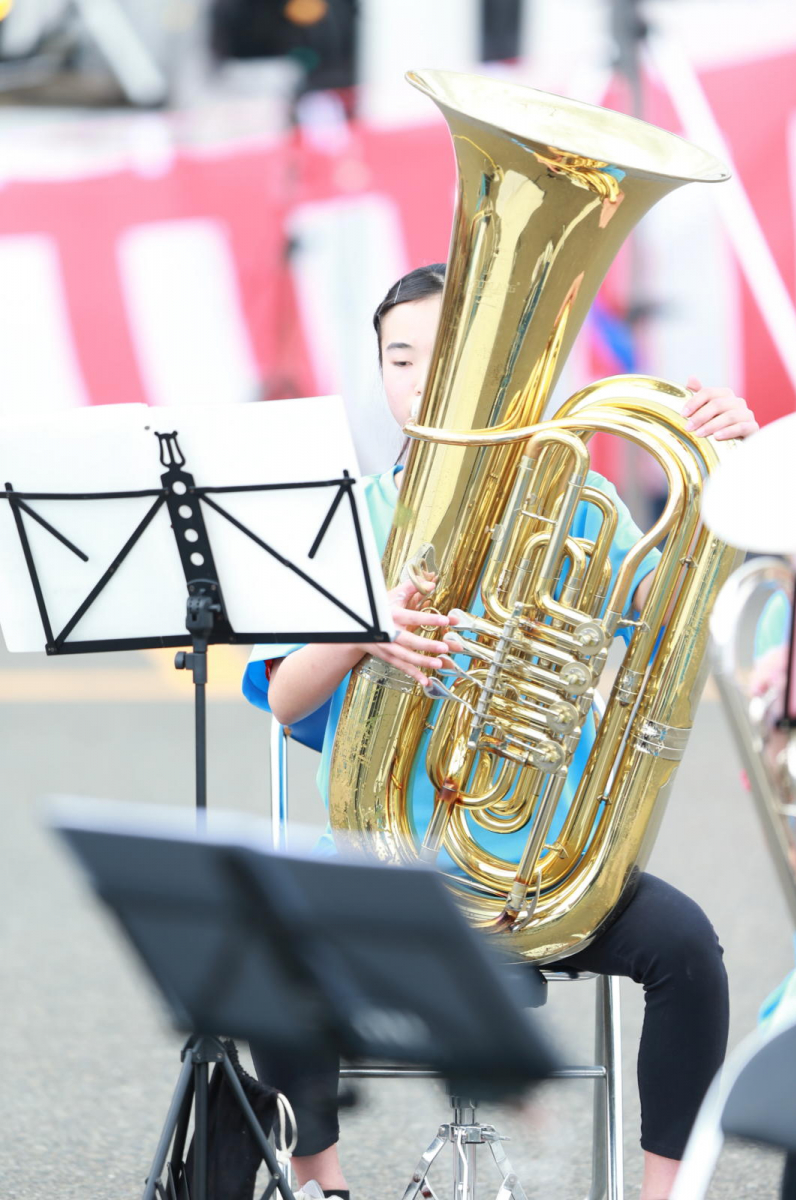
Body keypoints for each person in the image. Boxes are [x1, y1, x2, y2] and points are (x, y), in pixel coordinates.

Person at [244, 264, 759, 1200]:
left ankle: (664, 1194)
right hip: (381, 866)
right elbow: (282, 700)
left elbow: (692, 611)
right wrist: (362, 632)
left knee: (688, 950)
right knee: (256, 952)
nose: (422, 379)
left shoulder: (579, 506)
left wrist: (741, 476)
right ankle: (323, 1188)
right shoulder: (346, 521)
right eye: (401, 359)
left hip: (541, 870)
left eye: (449, 356)